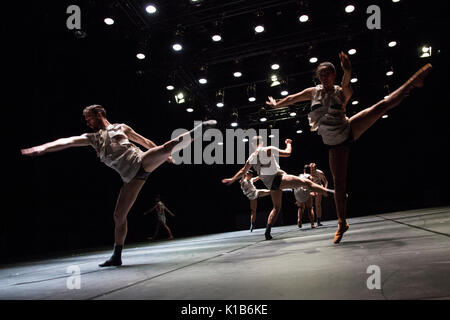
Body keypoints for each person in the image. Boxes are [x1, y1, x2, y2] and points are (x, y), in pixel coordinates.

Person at [266, 51, 432, 243]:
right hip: (335, 144)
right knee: (339, 183)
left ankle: (412, 82)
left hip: (348, 128)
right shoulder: (312, 92)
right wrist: (277, 104)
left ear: (334, 75)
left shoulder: (339, 90)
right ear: (318, 77)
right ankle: (342, 222)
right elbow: (292, 98)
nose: (324, 76)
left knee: (381, 105)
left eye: (328, 73)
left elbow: (346, 83)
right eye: (321, 74)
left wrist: (348, 70)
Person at [21, 104, 216, 266]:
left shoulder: (121, 127)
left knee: (166, 147)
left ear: (99, 114)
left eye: (89, 117)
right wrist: (43, 148)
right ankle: (117, 256)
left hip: (141, 161)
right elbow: (67, 141)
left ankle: (200, 130)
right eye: (86, 119)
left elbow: (144, 141)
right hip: (130, 179)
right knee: (118, 215)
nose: (87, 122)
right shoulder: (92, 139)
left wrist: (165, 157)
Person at [222, 136, 334, 240]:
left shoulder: (251, 158)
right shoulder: (268, 149)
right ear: (262, 142)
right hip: (278, 179)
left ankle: (267, 231)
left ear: (252, 145)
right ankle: (330, 192)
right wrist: (288, 143)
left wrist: (232, 179)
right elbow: (287, 153)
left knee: (276, 208)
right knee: (307, 183)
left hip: (271, 184)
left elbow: (243, 171)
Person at [293, 164, 316, 229]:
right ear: (310, 171)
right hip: (305, 191)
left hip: (298, 191)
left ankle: (299, 219)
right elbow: (312, 186)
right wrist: (314, 192)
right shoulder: (310, 176)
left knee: (301, 207)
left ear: (304, 170)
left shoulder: (300, 175)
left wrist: (297, 199)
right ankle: (312, 224)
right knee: (310, 208)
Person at [309, 162, 328, 226]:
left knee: (318, 205)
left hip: (318, 188)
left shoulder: (319, 173)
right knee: (310, 206)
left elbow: (325, 181)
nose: (311, 171)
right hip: (310, 189)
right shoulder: (307, 174)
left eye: (313, 169)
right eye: (310, 169)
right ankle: (312, 221)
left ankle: (318, 220)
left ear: (315, 169)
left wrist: (325, 190)